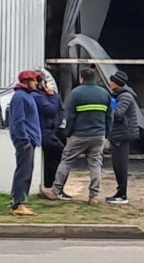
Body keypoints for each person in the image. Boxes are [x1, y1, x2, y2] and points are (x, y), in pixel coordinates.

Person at [41, 68, 113, 206]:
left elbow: (70, 116)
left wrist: (68, 132)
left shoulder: (76, 93)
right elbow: (110, 117)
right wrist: (106, 133)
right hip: (98, 135)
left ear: (81, 78)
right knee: (95, 165)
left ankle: (55, 191)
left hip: (79, 135)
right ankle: (94, 196)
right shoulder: (104, 94)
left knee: (66, 161)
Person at [31, 72, 72, 201]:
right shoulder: (37, 96)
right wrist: (53, 96)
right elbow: (51, 109)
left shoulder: (45, 96)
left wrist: (58, 124)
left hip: (51, 131)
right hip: (44, 132)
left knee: (52, 159)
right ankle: (55, 188)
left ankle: (51, 185)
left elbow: (60, 110)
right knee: (62, 156)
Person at [8, 70, 43, 216]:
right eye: (34, 80)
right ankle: (19, 204)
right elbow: (18, 120)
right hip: (26, 141)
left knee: (25, 171)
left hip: (29, 139)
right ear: (27, 82)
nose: (36, 83)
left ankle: (17, 201)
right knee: (24, 172)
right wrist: (24, 140)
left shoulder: (26, 96)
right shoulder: (20, 97)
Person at [106, 71, 139, 205]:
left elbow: (118, 114)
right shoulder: (119, 95)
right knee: (116, 165)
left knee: (120, 165)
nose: (110, 83)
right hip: (118, 134)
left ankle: (122, 194)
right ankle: (119, 192)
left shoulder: (125, 97)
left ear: (117, 83)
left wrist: (107, 109)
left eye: (112, 81)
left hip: (122, 134)